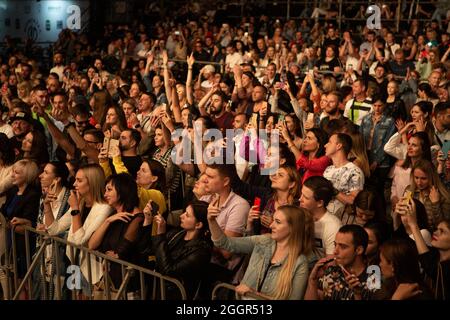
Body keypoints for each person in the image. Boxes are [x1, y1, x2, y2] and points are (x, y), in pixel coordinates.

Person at [208, 203, 314, 300]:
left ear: (293, 228)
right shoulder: (263, 241)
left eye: (278, 222)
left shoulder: (300, 262)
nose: (271, 225)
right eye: (273, 220)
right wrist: (212, 220)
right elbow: (224, 243)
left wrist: (254, 294)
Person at [45, 164, 112, 296]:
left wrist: (75, 208)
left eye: (80, 180)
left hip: (91, 269)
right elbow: (54, 229)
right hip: (74, 262)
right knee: (75, 296)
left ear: (92, 183)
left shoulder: (104, 208)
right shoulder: (80, 203)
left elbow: (79, 240)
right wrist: (46, 204)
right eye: (75, 179)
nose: (74, 184)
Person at [145, 200, 213, 299]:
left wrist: (160, 235)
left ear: (198, 224)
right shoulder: (177, 233)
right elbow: (147, 249)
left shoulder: (201, 251)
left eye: (187, 215)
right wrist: (148, 221)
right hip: (158, 291)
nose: (181, 216)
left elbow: (168, 270)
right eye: (184, 212)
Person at [88, 173, 143, 293]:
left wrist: (117, 254)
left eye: (109, 190)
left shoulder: (137, 218)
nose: (105, 194)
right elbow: (92, 245)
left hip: (127, 286)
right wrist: (107, 221)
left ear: (122, 190)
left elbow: (120, 252)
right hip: (110, 282)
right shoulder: (113, 216)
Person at [1, 159, 41, 299]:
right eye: (13, 171)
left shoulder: (33, 195)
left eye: (16, 172)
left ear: (27, 176)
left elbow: (29, 223)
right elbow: (5, 212)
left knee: (23, 282)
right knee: (12, 281)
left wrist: (12, 224)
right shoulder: (12, 191)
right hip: (9, 243)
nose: (12, 175)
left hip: (23, 246)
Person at [305, 225, 378, 300]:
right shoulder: (331, 272)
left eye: (343, 247)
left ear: (359, 250)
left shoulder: (373, 279)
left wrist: (357, 294)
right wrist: (312, 281)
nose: (335, 251)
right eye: (335, 245)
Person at [32, 161, 71, 300]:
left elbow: (67, 230)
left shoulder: (69, 199)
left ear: (57, 179)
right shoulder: (44, 196)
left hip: (61, 259)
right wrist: (38, 227)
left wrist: (51, 233)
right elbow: (42, 222)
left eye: (46, 173)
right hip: (44, 255)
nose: (41, 176)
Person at [401, 199, 450, 300]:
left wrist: (414, 224)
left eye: (442, 231)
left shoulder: (447, 267)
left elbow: (428, 265)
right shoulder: (434, 254)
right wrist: (405, 219)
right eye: (437, 229)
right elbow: (410, 244)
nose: (435, 233)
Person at [323, 133, 365, 220]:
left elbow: (353, 201)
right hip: (325, 218)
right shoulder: (328, 169)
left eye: (329, 142)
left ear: (338, 146)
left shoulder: (354, 171)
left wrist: (332, 189)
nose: (325, 145)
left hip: (342, 222)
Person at [300, 176, 342, 259]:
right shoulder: (298, 215)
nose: (300, 199)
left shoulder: (333, 227)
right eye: (301, 194)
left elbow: (331, 262)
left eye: (306, 197)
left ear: (319, 203)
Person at [406, 159, 450, 229]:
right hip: (410, 233)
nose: (419, 182)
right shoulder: (409, 190)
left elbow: (443, 228)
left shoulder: (443, 196)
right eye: (416, 177)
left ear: (432, 177)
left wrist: (436, 204)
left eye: (423, 178)